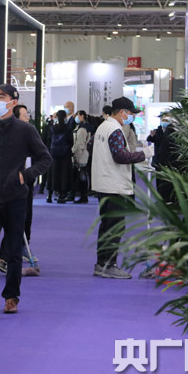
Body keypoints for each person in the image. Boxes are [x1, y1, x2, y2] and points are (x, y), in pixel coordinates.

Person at [0, 84, 51, 317]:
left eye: (2, 97)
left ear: (13, 102)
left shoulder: (26, 130)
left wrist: (24, 176)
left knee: (14, 251)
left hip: (16, 199)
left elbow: (45, 159)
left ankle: (11, 297)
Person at [90, 96, 154, 279]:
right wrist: (143, 154)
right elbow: (120, 156)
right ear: (121, 112)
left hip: (104, 183)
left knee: (107, 225)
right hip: (114, 185)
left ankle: (102, 264)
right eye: (131, 113)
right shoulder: (115, 130)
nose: (132, 117)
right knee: (115, 227)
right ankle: (108, 265)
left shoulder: (103, 127)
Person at [0, 104, 40, 274]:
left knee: (25, 219)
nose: (28, 117)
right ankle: (2, 258)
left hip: (26, 182)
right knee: (10, 222)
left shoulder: (30, 133)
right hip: (10, 184)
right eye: (24, 115)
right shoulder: (8, 135)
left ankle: (19, 249)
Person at [48, 109, 73, 203]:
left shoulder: (52, 128)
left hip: (54, 154)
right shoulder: (68, 128)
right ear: (65, 117)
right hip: (65, 155)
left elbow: (48, 140)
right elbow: (71, 141)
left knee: (53, 174)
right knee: (64, 174)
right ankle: (62, 194)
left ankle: (50, 194)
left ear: (57, 117)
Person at [71, 110, 92, 204]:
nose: (76, 117)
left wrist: (75, 154)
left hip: (81, 155)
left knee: (82, 177)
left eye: (77, 115)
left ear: (82, 115)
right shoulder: (83, 127)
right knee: (81, 176)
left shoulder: (82, 128)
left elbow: (80, 144)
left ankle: (84, 196)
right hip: (82, 154)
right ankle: (83, 196)